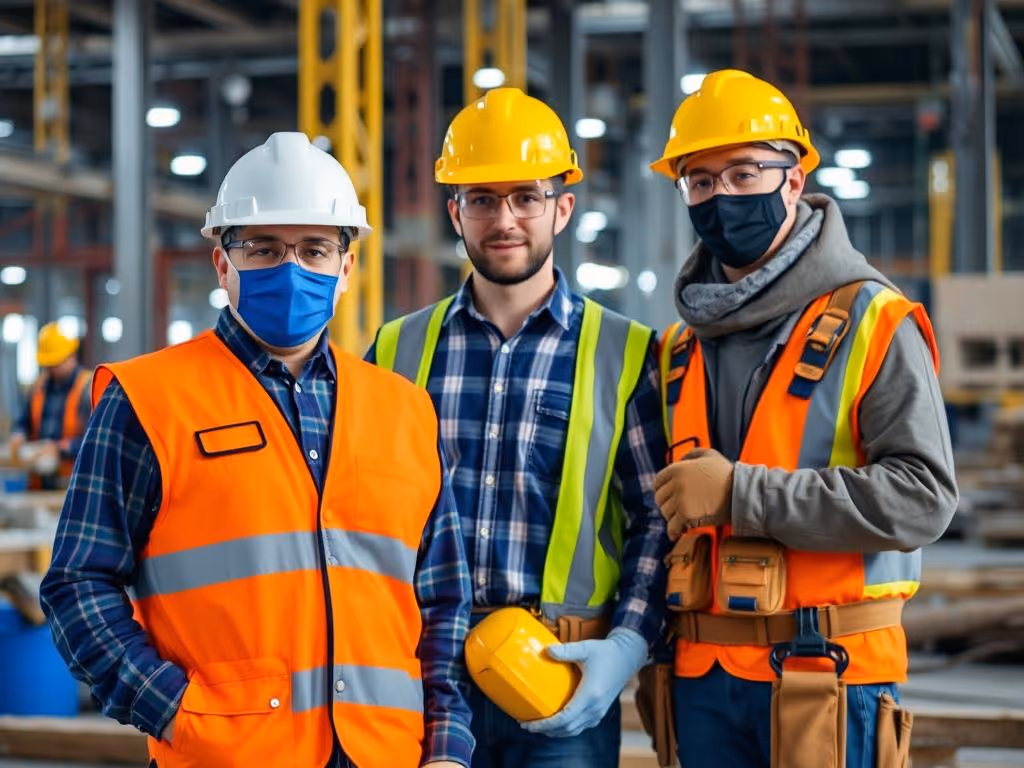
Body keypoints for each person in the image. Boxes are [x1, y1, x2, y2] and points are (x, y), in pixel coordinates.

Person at [40, 132, 473, 768]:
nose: (291, 269)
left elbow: (441, 603)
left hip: (387, 755)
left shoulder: (405, 410)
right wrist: (172, 710)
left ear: (346, 268)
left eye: (316, 249)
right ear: (223, 263)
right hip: (224, 756)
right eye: (264, 249)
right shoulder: (148, 402)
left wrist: (446, 748)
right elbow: (78, 582)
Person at [649, 69, 958, 768]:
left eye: (744, 172)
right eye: (699, 181)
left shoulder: (874, 321)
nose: (721, 195)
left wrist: (741, 494)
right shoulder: (677, 349)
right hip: (703, 680)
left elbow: (924, 499)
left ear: (793, 180)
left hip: (828, 672)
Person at [367, 87, 669, 768]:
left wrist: (627, 644)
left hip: (557, 674)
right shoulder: (393, 351)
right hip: (423, 673)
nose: (504, 219)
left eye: (525, 197)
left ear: (561, 207)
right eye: (481, 199)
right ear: (456, 213)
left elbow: (656, 520)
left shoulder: (625, 353)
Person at [8, 322, 91, 490]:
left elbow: (93, 440)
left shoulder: (88, 389)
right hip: (38, 483)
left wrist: (60, 449)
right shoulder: (38, 387)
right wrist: (18, 434)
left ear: (72, 356)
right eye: (48, 365)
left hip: (73, 487)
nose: (51, 369)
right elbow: (23, 422)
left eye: (56, 363)